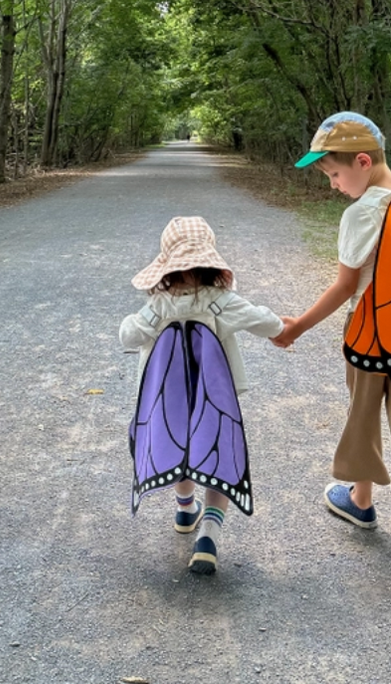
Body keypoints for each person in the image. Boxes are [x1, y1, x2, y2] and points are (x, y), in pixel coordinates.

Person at [271, 112, 391, 587]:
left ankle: (360, 500)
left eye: (335, 174)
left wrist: (297, 327)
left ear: (362, 161)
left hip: (370, 331)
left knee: (362, 410)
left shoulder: (361, 213)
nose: (334, 185)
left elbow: (344, 287)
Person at [120, 216, 283, 575]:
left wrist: (133, 324)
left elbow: (129, 336)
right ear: (211, 263)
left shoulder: (158, 304)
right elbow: (266, 323)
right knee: (216, 455)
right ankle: (208, 534)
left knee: (181, 448)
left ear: (167, 266)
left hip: (169, 401)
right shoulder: (221, 300)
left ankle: (184, 508)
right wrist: (283, 327)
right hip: (215, 399)